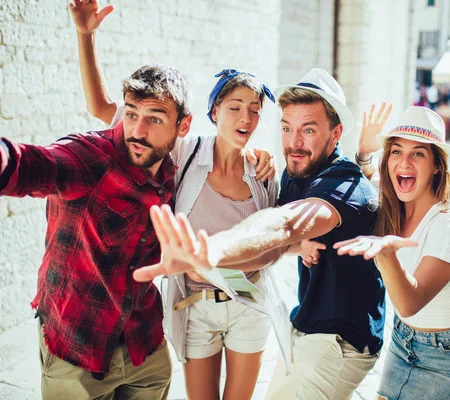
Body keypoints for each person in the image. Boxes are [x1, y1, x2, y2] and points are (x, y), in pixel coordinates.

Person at [69, 2, 288, 399]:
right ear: (213, 112)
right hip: (196, 306)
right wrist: (87, 37)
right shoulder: (183, 152)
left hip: (248, 303)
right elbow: (101, 107)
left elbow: (271, 245)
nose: (246, 118)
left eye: (254, 111)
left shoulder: (262, 174)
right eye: (235, 107)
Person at [133, 68, 386, 400]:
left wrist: (210, 252)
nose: (294, 142)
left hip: (341, 340)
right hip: (303, 326)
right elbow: (274, 241)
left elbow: (281, 225)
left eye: (308, 130)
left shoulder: (340, 183)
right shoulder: (294, 171)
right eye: (286, 128)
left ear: (336, 133)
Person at [0, 49, 191, 400]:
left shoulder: (172, 171)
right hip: (77, 348)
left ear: (183, 125)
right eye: (131, 114)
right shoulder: (90, 157)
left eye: (155, 118)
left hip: (144, 347)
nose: (138, 130)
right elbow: (35, 164)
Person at [336, 105, 450, 399]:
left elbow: (410, 302)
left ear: (436, 165)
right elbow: (365, 180)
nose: (404, 162)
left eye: (418, 153)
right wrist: (364, 153)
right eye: (396, 151)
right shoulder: (392, 204)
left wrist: (385, 254)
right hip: (404, 339)